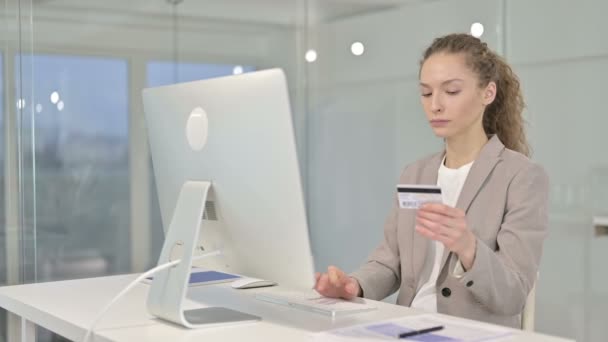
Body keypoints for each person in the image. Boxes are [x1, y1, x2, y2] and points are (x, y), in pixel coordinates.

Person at [314, 33, 549, 328]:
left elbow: (513, 294)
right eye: (426, 93)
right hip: (408, 326)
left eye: (451, 91)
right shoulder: (415, 173)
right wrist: (352, 285)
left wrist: (469, 248)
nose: (435, 105)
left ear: (487, 94)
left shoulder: (521, 177)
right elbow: (390, 261)